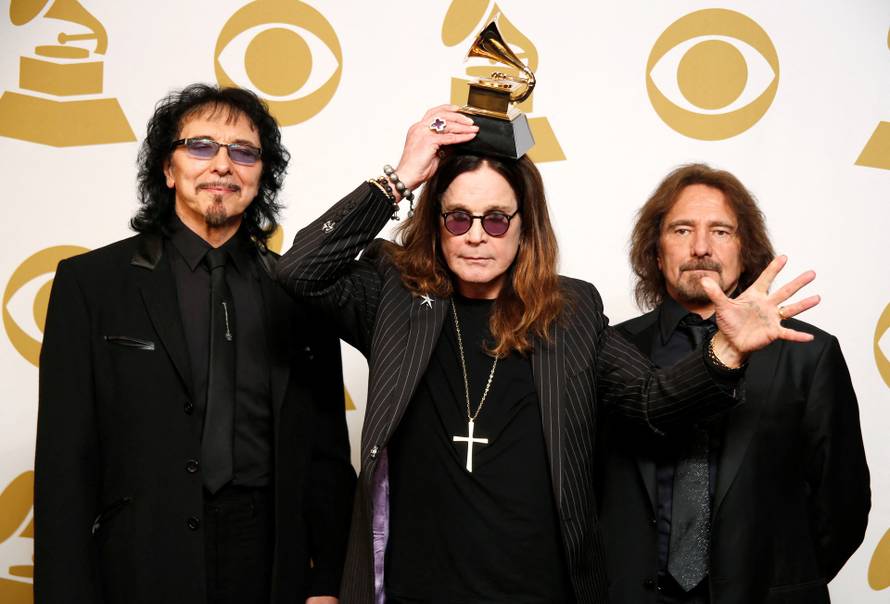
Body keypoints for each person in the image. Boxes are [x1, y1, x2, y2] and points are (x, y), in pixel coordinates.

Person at [276, 106, 819, 603]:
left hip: (539, 591)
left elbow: (653, 403)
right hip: (412, 587)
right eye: (457, 218)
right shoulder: (394, 295)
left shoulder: (569, 311)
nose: (475, 237)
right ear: (437, 223)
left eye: (495, 219)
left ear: (522, 227)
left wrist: (724, 351)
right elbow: (300, 269)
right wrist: (399, 178)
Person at [34, 84, 355, 604]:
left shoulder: (301, 291)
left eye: (244, 152)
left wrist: (326, 582)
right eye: (201, 146)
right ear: (168, 168)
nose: (222, 165)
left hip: (271, 564)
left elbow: (326, 454)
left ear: (261, 176)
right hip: (138, 560)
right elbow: (63, 466)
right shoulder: (91, 285)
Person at [595, 163, 870, 604]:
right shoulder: (607, 348)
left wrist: (781, 582)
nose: (701, 247)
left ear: (747, 248)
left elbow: (843, 507)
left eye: (721, 231)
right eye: (681, 230)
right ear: (655, 249)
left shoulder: (809, 355)